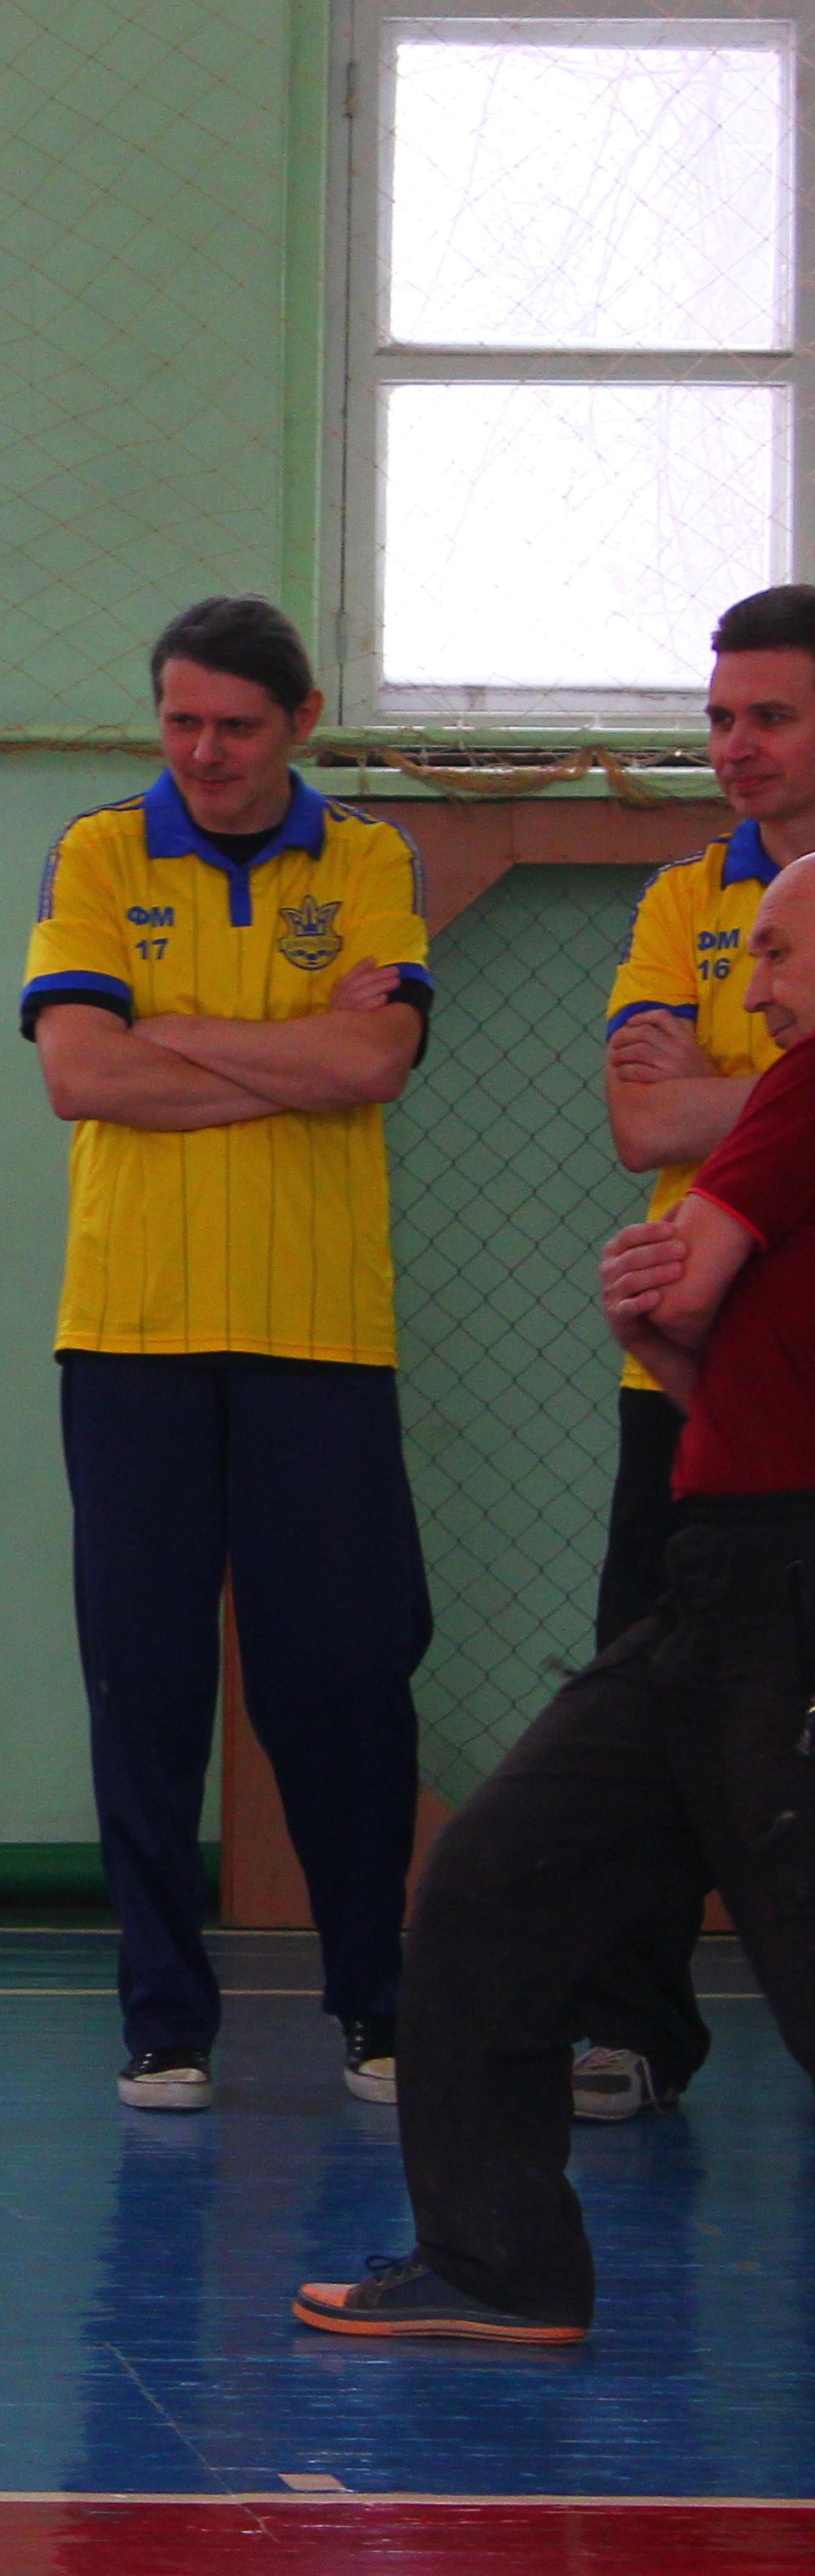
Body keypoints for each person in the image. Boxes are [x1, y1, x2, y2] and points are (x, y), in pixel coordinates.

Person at [294, 853, 815, 2347]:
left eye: (779, 955)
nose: (756, 987)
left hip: (777, 1595)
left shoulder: (801, 1089)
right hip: (714, 1579)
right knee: (490, 1880)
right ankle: (495, 2262)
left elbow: (683, 1278)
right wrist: (657, 1336)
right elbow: (703, 1361)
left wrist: (663, 1296)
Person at [22, 596, 437, 2114]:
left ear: (302, 722)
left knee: (343, 1682)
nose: (203, 752)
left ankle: (376, 2005)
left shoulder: (370, 859)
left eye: (236, 726)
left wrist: (176, 1030)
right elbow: (79, 1074)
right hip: (128, 1335)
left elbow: (374, 1058)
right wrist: (288, 1056)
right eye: (180, 721)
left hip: (318, 1335)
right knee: (143, 1684)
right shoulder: (97, 851)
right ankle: (163, 2022)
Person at [575, 583, 815, 2124]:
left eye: (769, 715)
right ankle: (629, 2027)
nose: (734, 745)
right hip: (683, 1377)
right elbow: (637, 1119)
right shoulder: (683, 897)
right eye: (720, 717)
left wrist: (716, 1082)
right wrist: (781, 1073)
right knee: (651, 1704)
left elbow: (687, 1105)